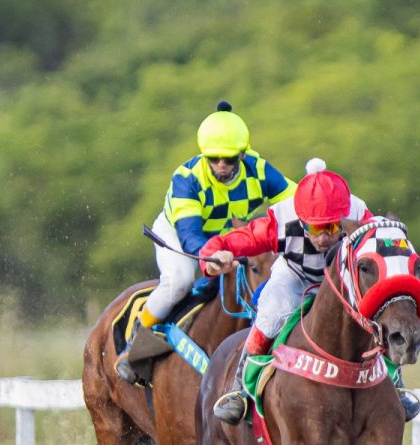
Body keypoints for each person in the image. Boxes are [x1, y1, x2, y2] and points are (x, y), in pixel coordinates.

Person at [199, 158, 420, 424]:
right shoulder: (281, 218)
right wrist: (212, 257)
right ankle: (240, 389)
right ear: (301, 219)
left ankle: (394, 383)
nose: (324, 237)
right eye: (316, 228)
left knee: (374, 308)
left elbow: (382, 243)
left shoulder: (358, 212)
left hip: (339, 279)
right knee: (272, 310)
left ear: (343, 216)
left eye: (331, 227)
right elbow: (240, 239)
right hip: (296, 275)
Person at [115, 100, 296, 383]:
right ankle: (134, 345)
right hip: (179, 234)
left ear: (242, 153)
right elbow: (190, 237)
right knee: (180, 281)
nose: (221, 166)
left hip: (227, 236)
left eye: (229, 159)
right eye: (213, 159)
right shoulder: (186, 179)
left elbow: (299, 202)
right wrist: (214, 257)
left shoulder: (259, 170)